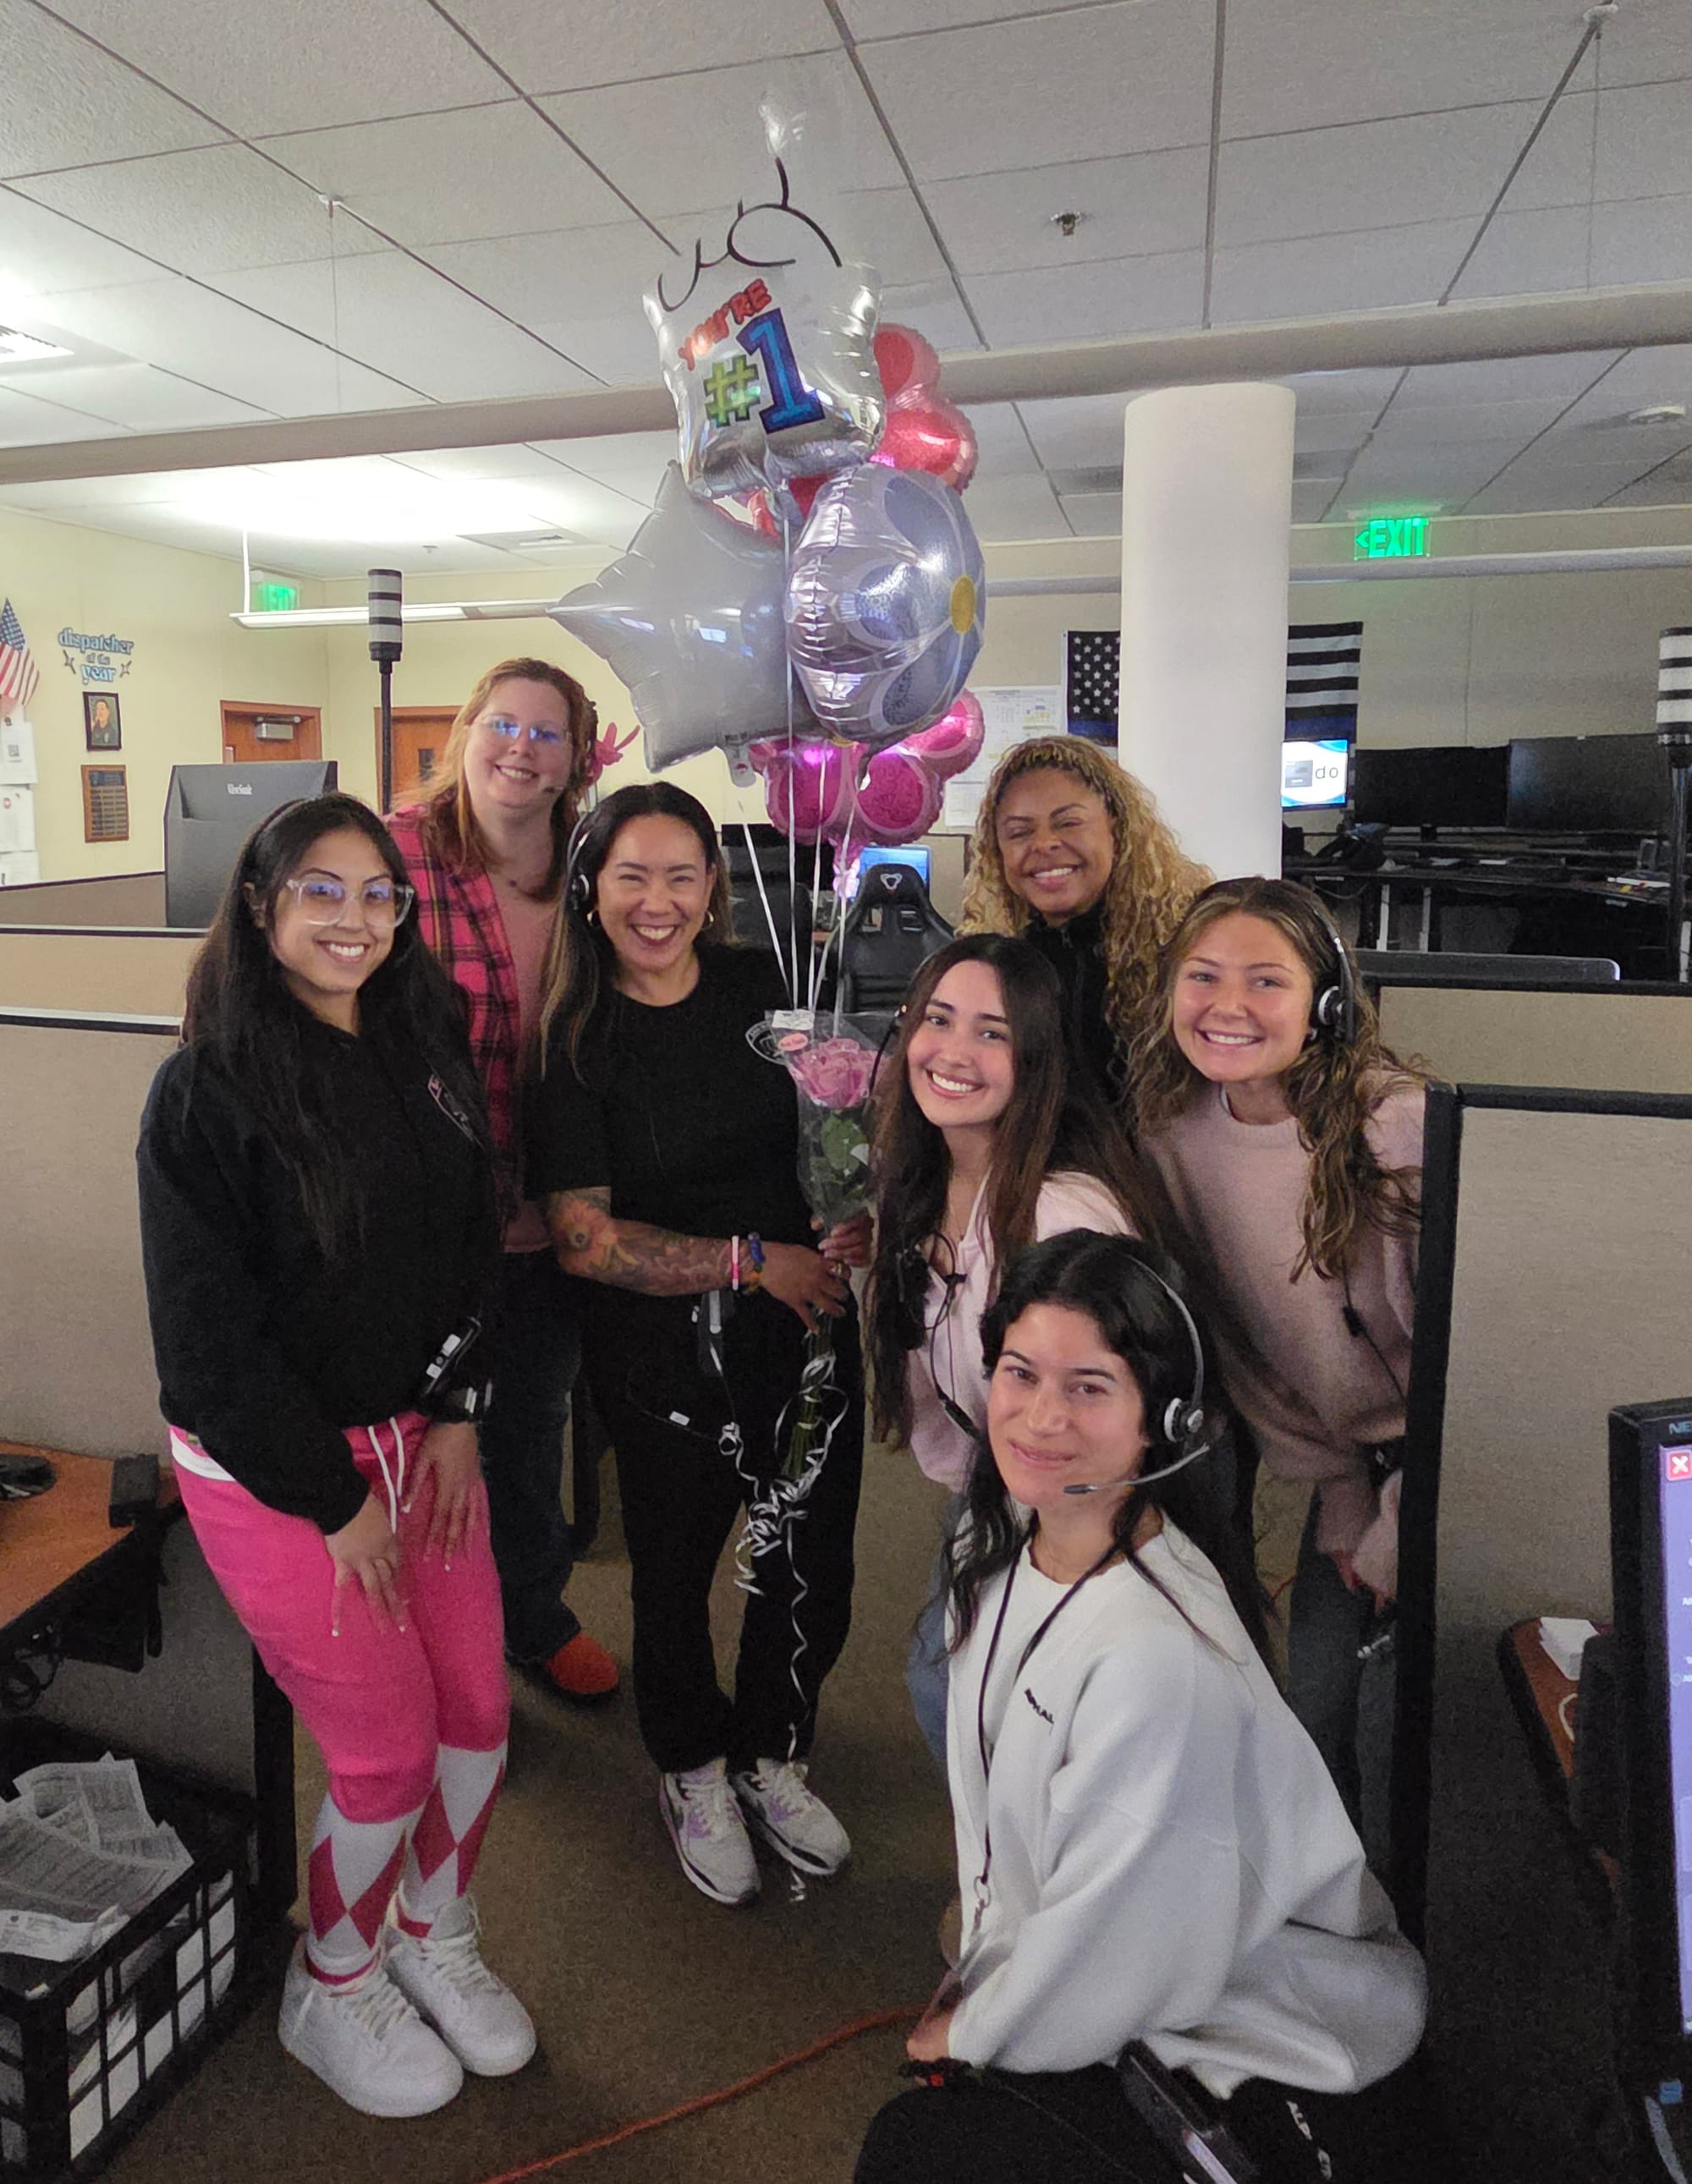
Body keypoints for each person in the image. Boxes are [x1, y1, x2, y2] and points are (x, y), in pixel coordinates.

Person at [855, 1231, 1428, 2184]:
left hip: (1235, 2011)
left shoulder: (1151, 1660)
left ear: (1160, 1418)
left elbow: (1118, 1939)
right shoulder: (997, 1544)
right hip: (1119, 1965)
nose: (1042, 1417)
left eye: (1088, 1387)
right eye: (1019, 1373)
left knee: (912, 2149)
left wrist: (975, 2029)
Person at [135, 793, 534, 2118]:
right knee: (386, 1754)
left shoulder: (422, 1041)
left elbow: (473, 1242)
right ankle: (334, 1971)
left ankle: (430, 1928)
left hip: (424, 1436)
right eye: (321, 888)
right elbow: (208, 1350)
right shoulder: (206, 1091)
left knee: (477, 1718)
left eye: (378, 892)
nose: (355, 918)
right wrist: (334, 1497)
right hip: (280, 1466)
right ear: (260, 906)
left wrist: (462, 1407)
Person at [527, 782, 869, 1908]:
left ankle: (772, 1748)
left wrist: (847, 1205)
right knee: (675, 1569)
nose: (657, 901)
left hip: (803, 1325)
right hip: (661, 1351)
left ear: (713, 886)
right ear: (591, 888)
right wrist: (751, 1258)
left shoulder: (764, 989)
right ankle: (691, 1764)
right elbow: (583, 1239)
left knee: (804, 1554)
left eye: (681, 875)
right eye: (632, 875)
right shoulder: (575, 1036)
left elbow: (830, 1136)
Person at [1129, 876, 1429, 1872]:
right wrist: (1343, 1494)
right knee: (1315, 1712)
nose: (1227, 1005)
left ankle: (1409, 1925)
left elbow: (1472, 1361)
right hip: (1356, 1473)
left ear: (1325, 1001)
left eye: (1265, 979)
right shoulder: (1172, 1134)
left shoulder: (1394, 1131)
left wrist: (1399, 1516)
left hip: (1447, 1468)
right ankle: (1343, 1923)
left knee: (1412, 1735)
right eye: (1202, 976)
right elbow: (1247, 1349)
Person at [865, 933, 1163, 1764]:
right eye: (937, 1020)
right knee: (951, 1689)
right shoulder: (918, 1184)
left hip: (1081, 1504)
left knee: (1009, 1712)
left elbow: (1112, 1417)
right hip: (997, 1487)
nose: (953, 1051)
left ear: (1034, 1059)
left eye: (991, 1032)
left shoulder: (1064, 1213)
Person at [386, 658, 618, 1704]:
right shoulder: (393, 853)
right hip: (428, 1223)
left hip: (553, 1215)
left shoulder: (594, 867)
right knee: (421, 1449)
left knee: (527, 1432)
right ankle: (430, 1647)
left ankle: (531, 1615)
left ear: (576, 758)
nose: (521, 747)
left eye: (547, 732)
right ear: (465, 732)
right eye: (503, 723)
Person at [960, 736, 1209, 1106]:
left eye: (1068, 823)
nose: (1044, 844)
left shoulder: (1187, 952)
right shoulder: (1002, 964)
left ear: (1116, 828)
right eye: (1020, 832)